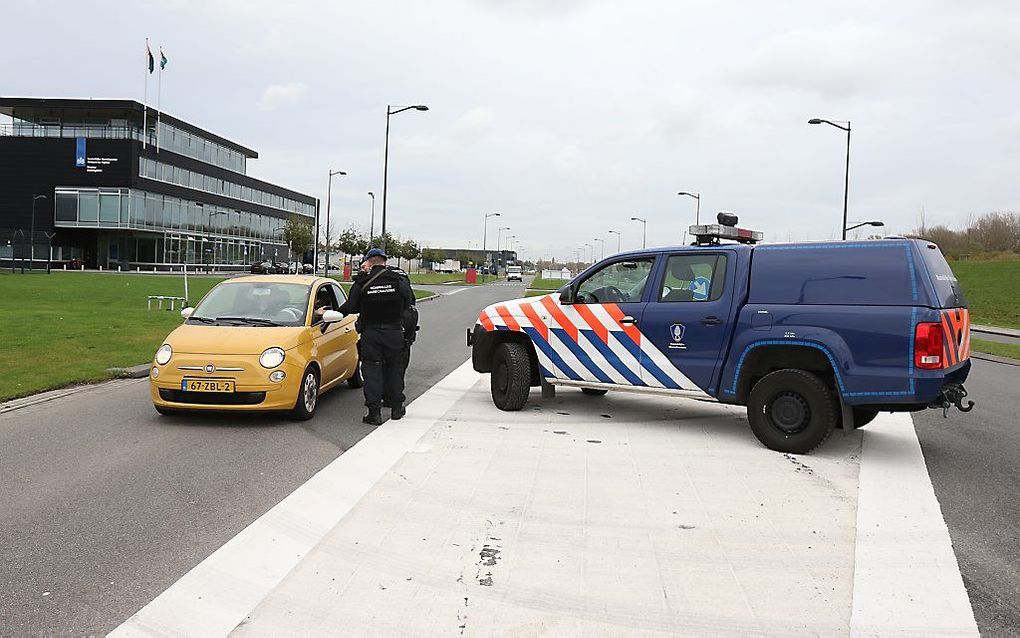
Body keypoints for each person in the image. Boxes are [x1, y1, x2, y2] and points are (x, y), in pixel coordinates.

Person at [339, 247, 416, 425]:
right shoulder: (398, 280)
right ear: (384, 261)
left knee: (372, 371)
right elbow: (408, 302)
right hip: (394, 332)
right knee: (395, 369)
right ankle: (397, 408)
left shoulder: (362, 281)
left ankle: (374, 413)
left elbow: (351, 307)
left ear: (368, 262)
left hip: (371, 333)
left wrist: (328, 311)